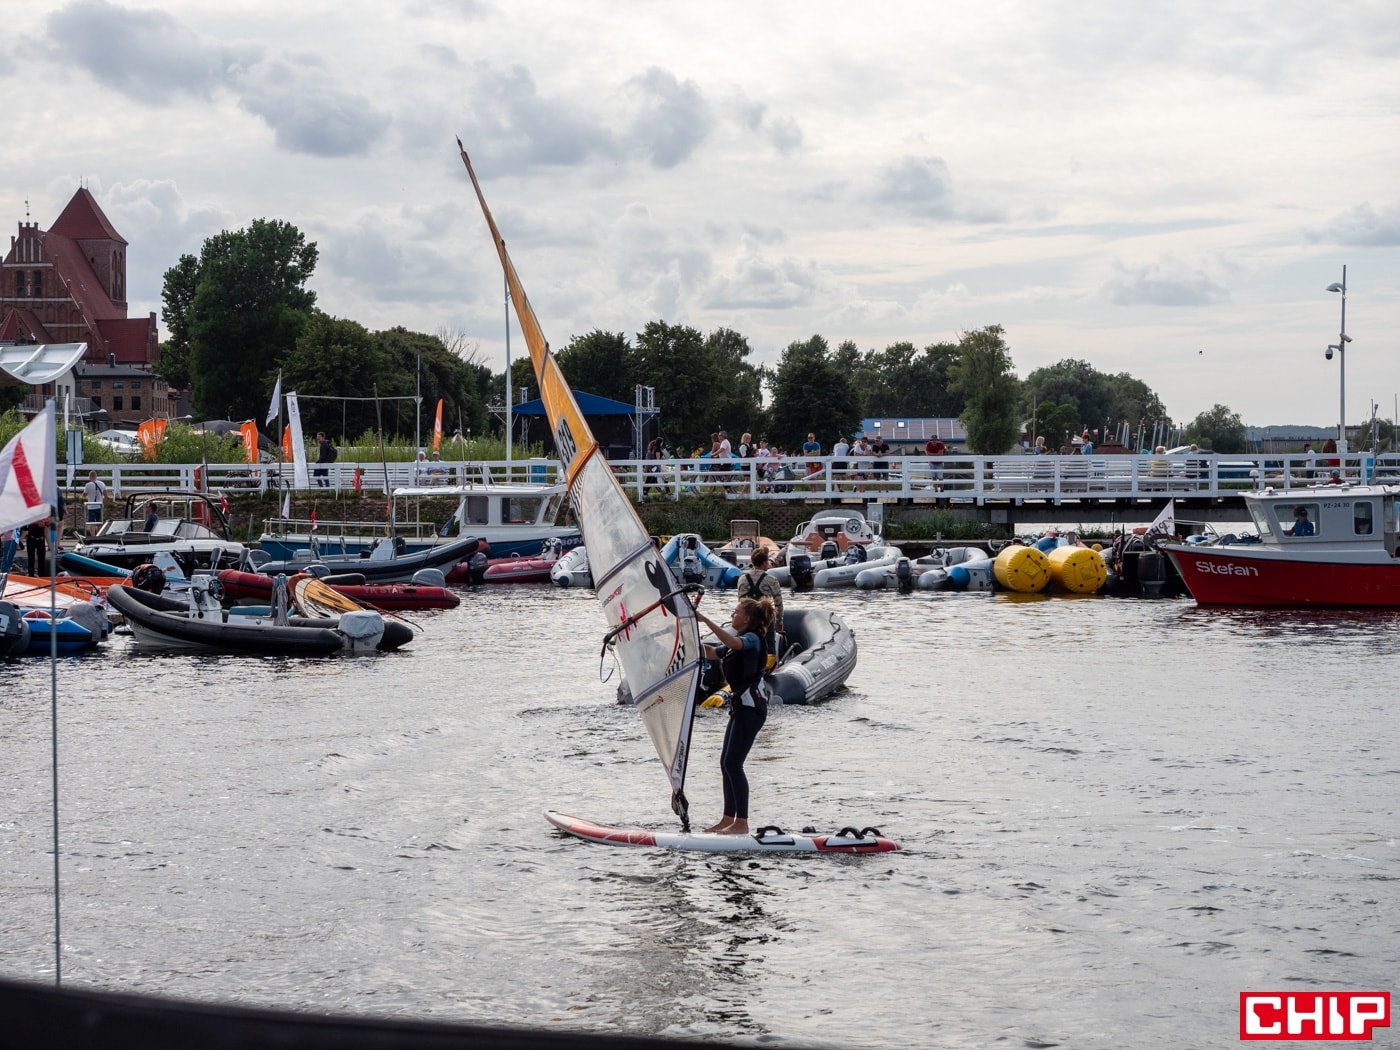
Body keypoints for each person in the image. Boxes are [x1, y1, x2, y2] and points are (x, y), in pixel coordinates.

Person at [695, 596, 777, 836]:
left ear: (747, 618)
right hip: (741, 707)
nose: (733, 614)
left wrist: (705, 620)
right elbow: (713, 652)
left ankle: (742, 822)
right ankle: (727, 819)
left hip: (752, 708)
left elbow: (733, 642)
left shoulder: (752, 639)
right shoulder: (738, 642)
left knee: (733, 763)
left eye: (736, 611)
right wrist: (687, 639)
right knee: (725, 762)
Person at [735, 546, 784, 658]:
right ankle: (770, 664)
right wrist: (779, 621)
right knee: (769, 645)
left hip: (747, 618)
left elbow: (740, 601)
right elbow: (778, 603)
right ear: (764, 562)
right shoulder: (771, 580)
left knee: (743, 643)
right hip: (765, 618)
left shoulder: (742, 579)